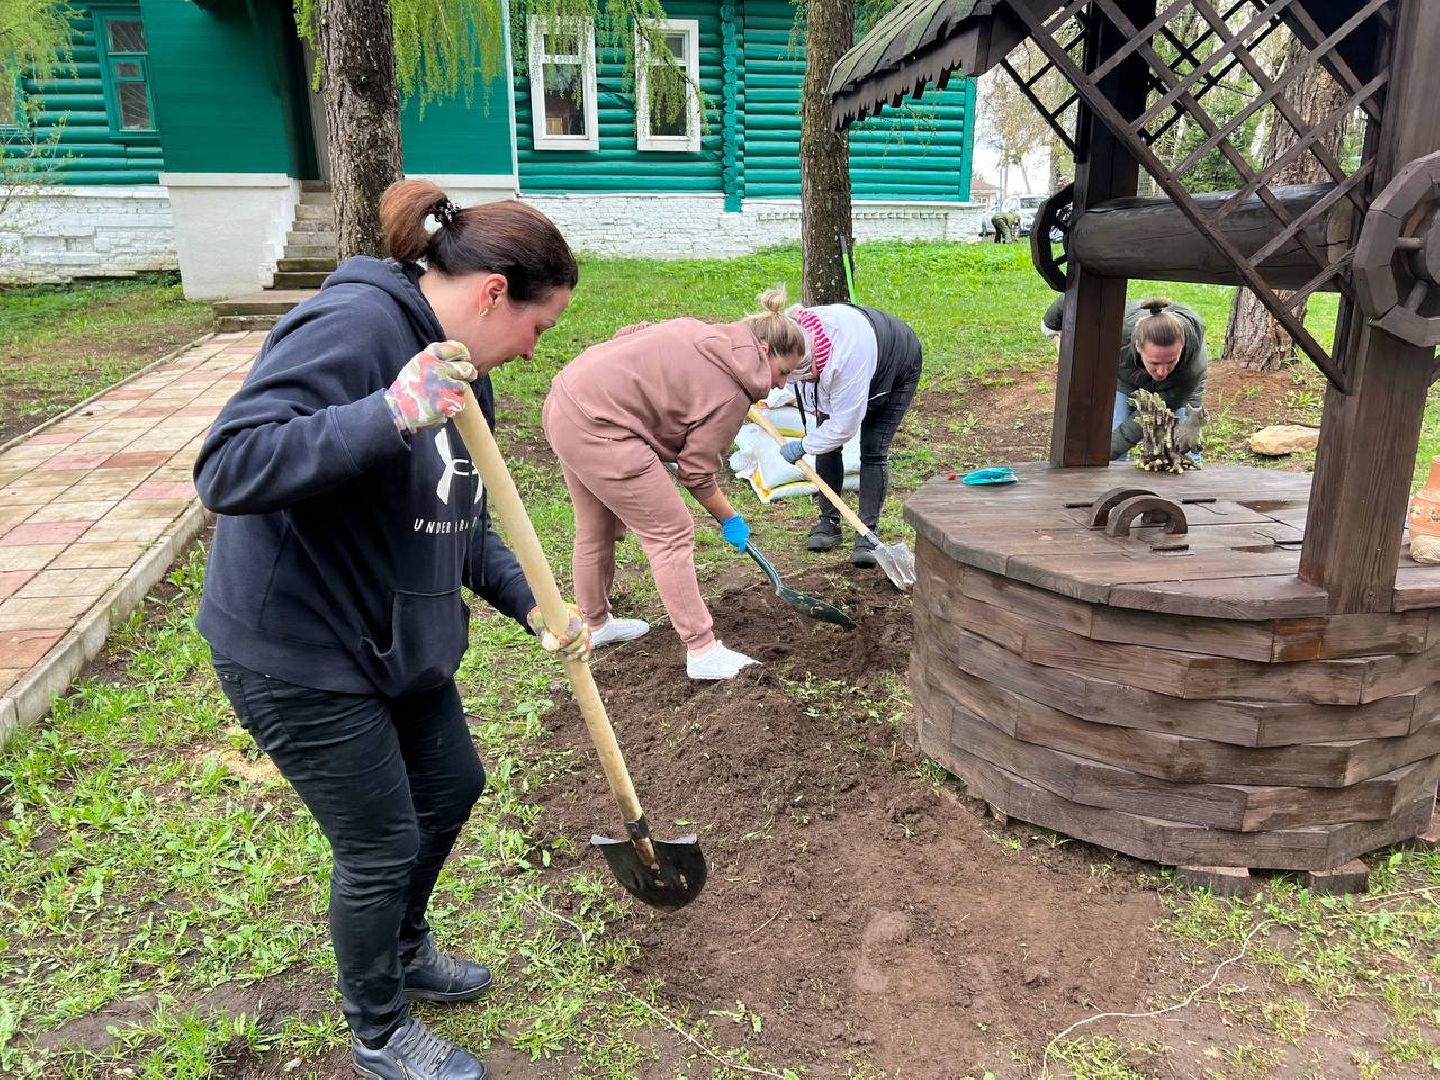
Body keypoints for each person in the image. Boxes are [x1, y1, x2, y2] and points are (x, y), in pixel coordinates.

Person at [194, 179, 588, 1080]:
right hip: (299, 646)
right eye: (538, 329)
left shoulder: (458, 373)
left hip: (393, 634)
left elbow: (463, 517)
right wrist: (384, 413)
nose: (532, 353)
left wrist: (532, 603)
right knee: (379, 842)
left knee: (452, 785)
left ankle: (403, 948)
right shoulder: (356, 330)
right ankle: (378, 1029)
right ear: (493, 293)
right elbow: (229, 465)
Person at [542, 289, 806, 681]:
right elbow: (696, 471)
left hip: (566, 400)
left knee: (595, 525)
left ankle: (595, 624)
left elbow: (630, 332)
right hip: (603, 428)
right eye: (783, 372)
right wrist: (730, 517)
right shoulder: (732, 392)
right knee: (671, 532)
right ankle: (702, 649)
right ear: (764, 350)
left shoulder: (700, 332)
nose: (781, 385)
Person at [774, 298, 923, 567]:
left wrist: (804, 445)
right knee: (825, 442)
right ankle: (828, 522)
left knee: (873, 448)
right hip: (854, 357)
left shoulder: (845, 358)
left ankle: (867, 533)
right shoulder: (792, 336)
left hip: (896, 364)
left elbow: (843, 427)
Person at [1041, 294, 1208, 461]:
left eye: (1170, 361)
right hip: (1127, 379)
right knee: (1112, 437)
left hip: (1177, 386)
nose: (1162, 372)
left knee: (1185, 448)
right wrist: (1051, 326)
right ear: (1138, 347)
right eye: (1154, 363)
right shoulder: (1116, 330)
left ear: (1182, 347)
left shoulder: (1190, 370)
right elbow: (1078, 297)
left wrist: (1104, 454)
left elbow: (1141, 420)